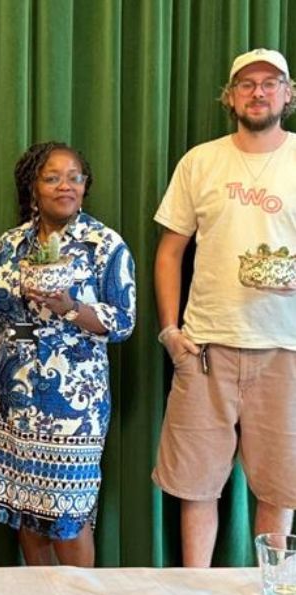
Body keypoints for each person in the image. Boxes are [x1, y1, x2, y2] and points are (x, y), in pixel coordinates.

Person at [152, 48, 296, 567]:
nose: (258, 93)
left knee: (280, 486)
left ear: (287, 94)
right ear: (230, 97)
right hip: (205, 347)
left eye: (270, 83)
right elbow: (170, 252)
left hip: (285, 348)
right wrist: (170, 330)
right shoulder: (201, 161)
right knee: (196, 485)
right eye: (246, 84)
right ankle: (196, 588)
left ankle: (272, 586)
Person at [0, 141, 136, 567]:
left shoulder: (103, 245)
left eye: (74, 177)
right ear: (33, 187)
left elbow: (123, 322)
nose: (66, 186)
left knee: (68, 513)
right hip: (11, 397)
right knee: (27, 510)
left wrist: (71, 308)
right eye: (53, 178)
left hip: (72, 404)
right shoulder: (11, 243)